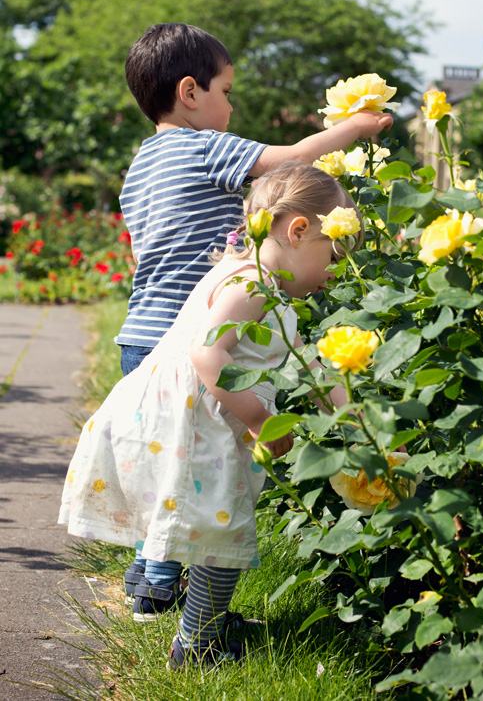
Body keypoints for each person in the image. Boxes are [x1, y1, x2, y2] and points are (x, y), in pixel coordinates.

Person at [114, 22, 392, 607]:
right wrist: (353, 128)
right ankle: (160, 591)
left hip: (140, 331)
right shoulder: (203, 145)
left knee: (164, 467)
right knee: (197, 464)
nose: (231, 105)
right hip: (191, 333)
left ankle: (146, 576)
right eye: (227, 90)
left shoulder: (140, 166)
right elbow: (288, 160)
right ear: (191, 93)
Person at [59, 162, 362, 669]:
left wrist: (351, 417)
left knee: (215, 533)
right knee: (223, 536)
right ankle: (197, 645)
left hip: (196, 420)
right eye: (333, 256)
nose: (334, 271)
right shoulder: (250, 288)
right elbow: (207, 357)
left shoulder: (263, 282)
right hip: (195, 424)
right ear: (298, 230)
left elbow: (308, 362)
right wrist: (261, 419)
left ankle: (202, 624)